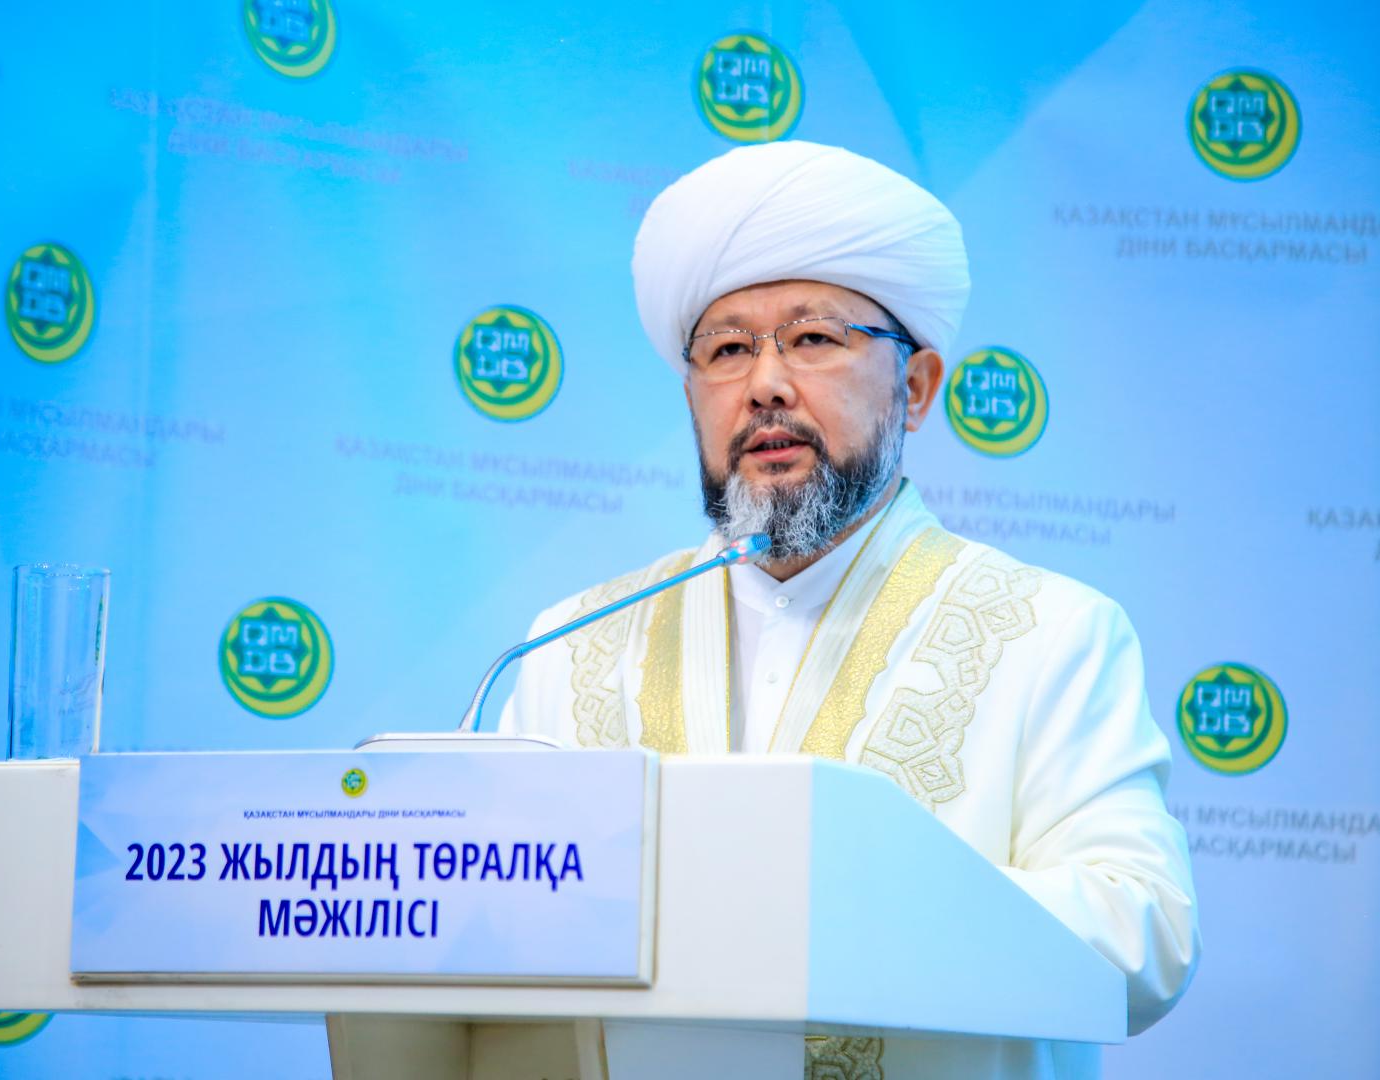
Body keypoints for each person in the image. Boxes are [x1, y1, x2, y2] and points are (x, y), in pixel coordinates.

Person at [501, 140, 1198, 1079]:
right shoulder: (569, 646)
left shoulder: (1050, 633)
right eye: (727, 350)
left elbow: (1143, 938)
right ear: (692, 395)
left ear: (915, 389)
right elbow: (487, 933)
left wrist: (836, 907)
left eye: (814, 339)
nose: (766, 384)